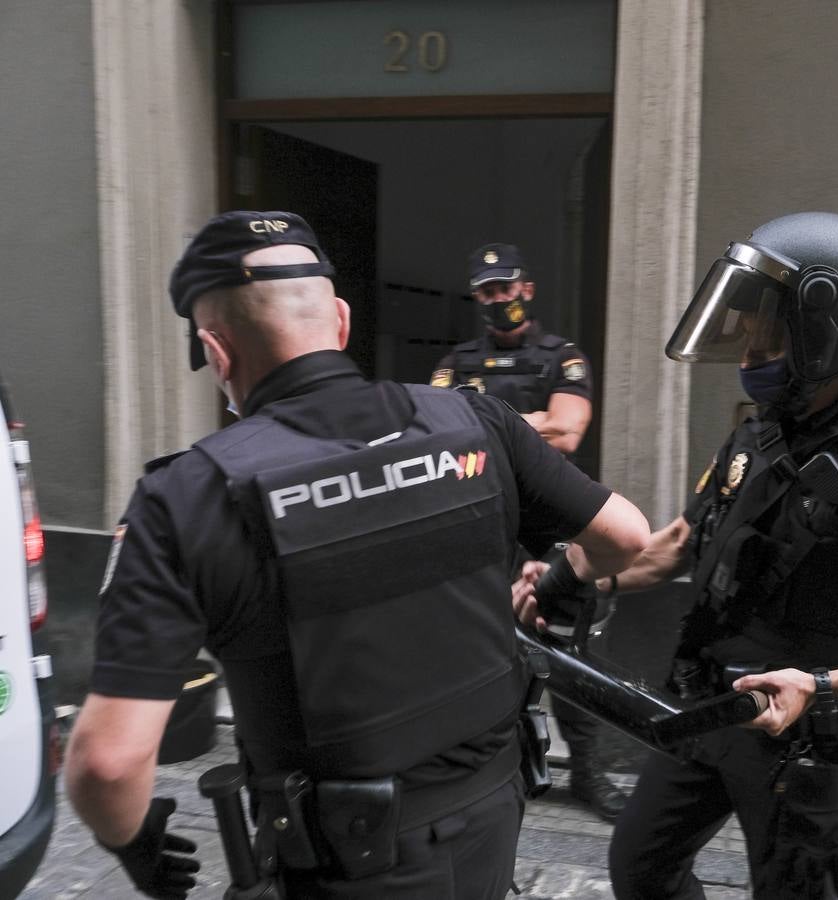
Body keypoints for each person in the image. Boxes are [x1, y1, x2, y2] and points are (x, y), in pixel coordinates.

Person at [64, 211, 650, 900]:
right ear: (338, 321)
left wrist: (132, 844)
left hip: (346, 863)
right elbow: (626, 538)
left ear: (217, 354)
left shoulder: (184, 499)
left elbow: (107, 763)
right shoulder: (477, 421)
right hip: (493, 817)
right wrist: (553, 583)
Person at [530, 211, 838, 899]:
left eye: (769, 331)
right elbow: (676, 547)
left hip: (808, 739)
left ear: (826, 333)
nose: (749, 350)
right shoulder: (759, 437)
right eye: (747, 327)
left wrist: (822, 686)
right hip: (708, 712)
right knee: (641, 868)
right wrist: (569, 569)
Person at [430, 243, 626, 822]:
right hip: (482, 524)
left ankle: (589, 775)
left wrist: (484, 417)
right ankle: (495, 771)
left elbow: (567, 433)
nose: (498, 300)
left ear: (527, 290)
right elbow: (439, 437)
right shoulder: (456, 362)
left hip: (549, 526)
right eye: (487, 292)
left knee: (570, 649)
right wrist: (527, 424)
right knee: (482, 647)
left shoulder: (561, 358)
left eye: (506, 288)